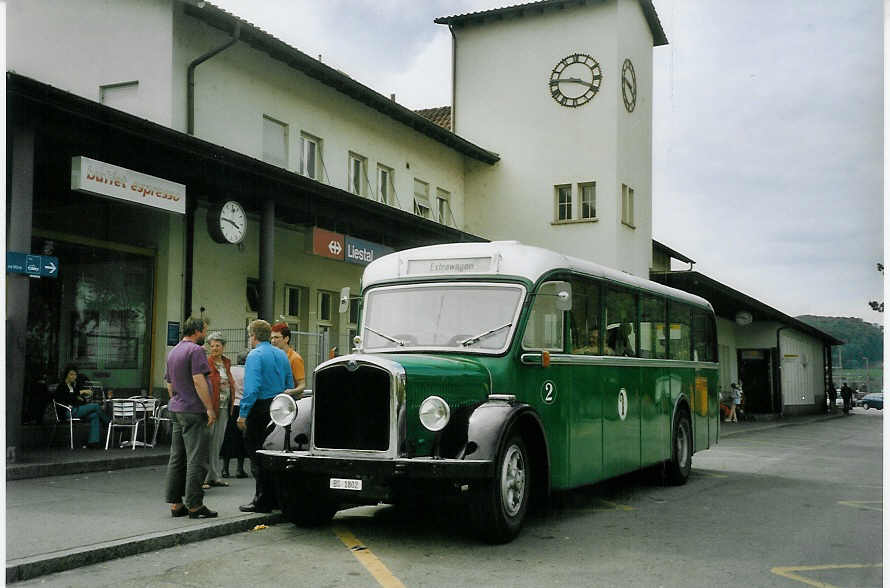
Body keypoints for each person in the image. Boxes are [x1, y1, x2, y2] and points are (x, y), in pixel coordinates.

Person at [163, 318, 218, 519]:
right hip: (194, 410)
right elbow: (198, 380)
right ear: (196, 331)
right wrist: (209, 408)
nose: (205, 334)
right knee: (197, 458)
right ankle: (195, 505)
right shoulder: (195, 351)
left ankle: (176, 504)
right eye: (204, 330)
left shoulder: (174, 351)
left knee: (177, 458)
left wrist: (177, 401)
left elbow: (169, 383)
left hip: (177, 408)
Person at [238, 319, 294, 513]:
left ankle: (261, 499)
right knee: (274, 451)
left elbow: (252, 389)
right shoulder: (281, 354)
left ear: (252, 336)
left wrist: (243, 413)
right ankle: (277, 498)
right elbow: (290, 382)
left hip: (260, 407)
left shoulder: (255, 355)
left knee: (256, 454)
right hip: (278, 406)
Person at [202, 332, 235, 490]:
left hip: (224, 406)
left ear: (223, 347)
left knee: (217, 443)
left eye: (217, 345)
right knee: (207, 442)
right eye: (212, 346)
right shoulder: (207, 363)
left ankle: (214, 476)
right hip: (212, 408)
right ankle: (204, 477)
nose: (214, 348)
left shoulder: (226, 363)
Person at [54, 365, 110, 448]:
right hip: (68, 412)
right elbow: (66, 398)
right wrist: (80, 392)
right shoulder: (62, 386)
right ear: (66, 375)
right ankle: (108, 423)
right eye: (71, 374)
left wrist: (81, 398)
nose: (74, 377)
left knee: (95, 416)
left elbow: (79, 400)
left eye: (75, 375)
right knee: (95, 406)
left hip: (77, 410)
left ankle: (93, 442)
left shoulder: (73, 386)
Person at [221, 351, 248, 479]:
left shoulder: (230, 370)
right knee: (242, 438)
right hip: (243, 406)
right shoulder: (249, 371)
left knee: (229, 437)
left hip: (231, 406)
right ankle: (239, 469)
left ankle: (225, 468)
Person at [270, 322, 306, 397]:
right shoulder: (271, 356)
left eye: (276, 337)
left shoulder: (295, 358)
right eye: (271, 338)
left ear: (286, 339)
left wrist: (290, 392)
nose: (273, 341)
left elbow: (302, 385)